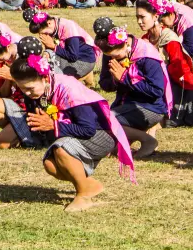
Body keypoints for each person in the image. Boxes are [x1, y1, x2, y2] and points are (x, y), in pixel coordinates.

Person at [9, 55, 135, 212]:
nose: (27, 93)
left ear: (44, 77)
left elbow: (87, 129)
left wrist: (53, 125)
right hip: (78, 134)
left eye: (30, 88)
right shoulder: (40, 93)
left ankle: (83, 195)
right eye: (22, 88)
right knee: (50, 165)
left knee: (61, 149)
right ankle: (89, 184)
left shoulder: (69, 89)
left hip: (101, 134)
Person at [94, 17, 173, 158]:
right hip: (124, 106)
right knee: (105, 146)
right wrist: (115, 79)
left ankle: (147, 140)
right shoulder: (111, 52)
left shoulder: (146, 55)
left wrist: (125, 78)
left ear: (125, 43)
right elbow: (105, 83)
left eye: (117, 55)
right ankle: (124, 140)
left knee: (105, 119)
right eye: (109, 56)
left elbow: (156, 90)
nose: (114, 59)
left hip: (150, 108)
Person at [136, 0, 193, 126]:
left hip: (178, 83)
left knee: (169, 123)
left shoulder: (169, 39)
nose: (139, 21)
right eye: (137, 17)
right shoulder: (145, 38)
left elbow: (179, 67)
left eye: (142, 17)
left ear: (155, 16)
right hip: (160, 82)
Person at [147, 0, 193, 94]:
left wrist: (168, 52)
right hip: (183, 58)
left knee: (165, 71)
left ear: (171, 14)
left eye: (163, 22)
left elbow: (191, 50)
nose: (162, 25)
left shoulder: (188, 23)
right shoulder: (175, 16)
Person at [24, 8, 98, 85]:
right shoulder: (55, 25)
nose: (43, 35)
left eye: (44, 32)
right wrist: (48, 51)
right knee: (46, 63)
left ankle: (86, 75)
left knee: (53, 75)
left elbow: (73, 56)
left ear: (49, 23)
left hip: (83, 61)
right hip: (73, 57)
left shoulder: (68, 29)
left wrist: (53, 46)